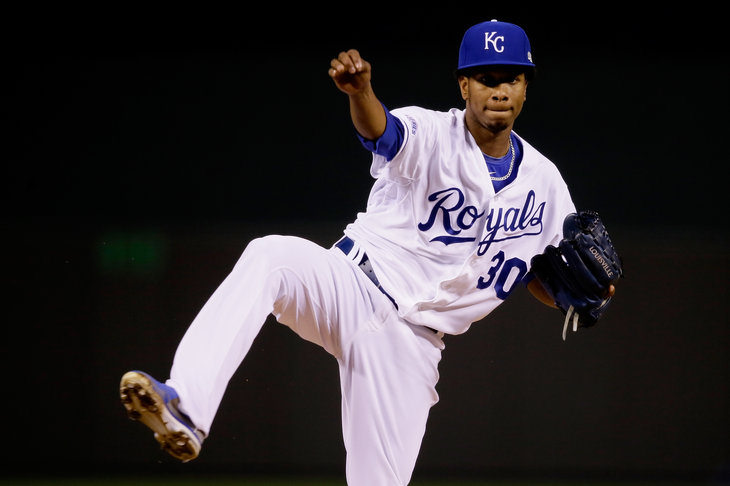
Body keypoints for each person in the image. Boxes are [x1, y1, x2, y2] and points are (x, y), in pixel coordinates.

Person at [120, 19, 614, 485]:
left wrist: (586, 299)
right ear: (464, 86)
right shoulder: (429, 132)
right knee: (270, 256)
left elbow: (545, 276)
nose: (499, 89)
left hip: (412, 346)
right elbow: (381, 131)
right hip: (352, 284)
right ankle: (187, 403)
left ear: (527, 86)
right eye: (485, 78)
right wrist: (362, 93)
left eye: (511, 78)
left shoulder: (546, 186)